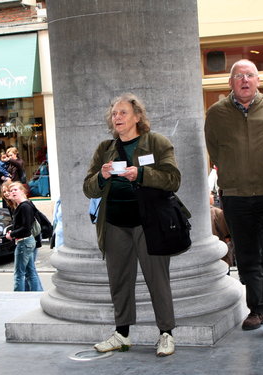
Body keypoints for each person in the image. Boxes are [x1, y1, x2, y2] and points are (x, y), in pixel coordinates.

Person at [83, 93, 180, 357]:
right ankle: (122, 334)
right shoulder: (106, 148)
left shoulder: (156, 142)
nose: (117, 117)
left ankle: (166, 334)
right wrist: (101, 178)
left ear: (138, 116)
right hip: (115, 224)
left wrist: (143, 174)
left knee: (157, 280)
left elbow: (173, 179)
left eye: (123, 112)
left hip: (148, 223)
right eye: (114, 113)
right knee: (119, 280)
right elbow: (88, 188)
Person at [204, 59, 263, 340]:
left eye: (250, 75)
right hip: (236, 197)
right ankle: (258, 309)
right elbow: (214, 151)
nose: (244, 80)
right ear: (230, 82)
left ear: (258, 81)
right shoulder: (216, 113)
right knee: (248, 257)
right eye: (238, 76)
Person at [6, 182, 43, 292]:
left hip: (24, 242)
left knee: (19, 274)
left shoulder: (25, 206)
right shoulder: (24, 205)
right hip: (27, 242)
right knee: (30, 271)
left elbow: (26, 228)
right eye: (11, 190)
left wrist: (11, 235)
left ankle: (18, 298)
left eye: (15, 190)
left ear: (23, 191)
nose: (13, 192)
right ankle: (37, 294)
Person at [210, 192, 234, 270]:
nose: (213, 197)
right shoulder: (217, 212)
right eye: (211, 196)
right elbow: (226, 233)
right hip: (220, 249)